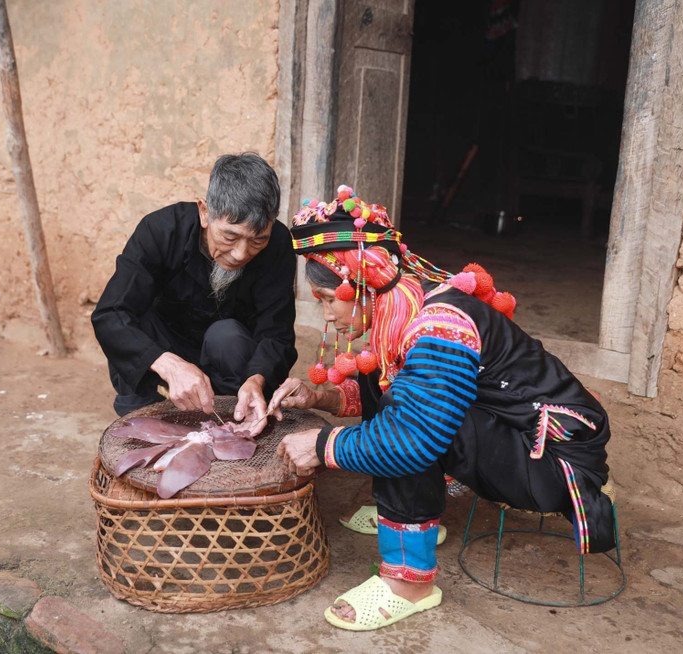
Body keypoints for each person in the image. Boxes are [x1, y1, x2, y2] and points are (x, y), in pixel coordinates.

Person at [269, 186, 615, 631]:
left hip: (553, 462)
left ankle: (408, 584)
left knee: (408, 431)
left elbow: (411, 438)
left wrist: (321, 445)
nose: (328, 316)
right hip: (514, 435)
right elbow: (392, 390)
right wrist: (321, 398)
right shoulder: (406, 304)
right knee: (389, 383)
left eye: (328, 299)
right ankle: (414, 516)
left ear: (361, 283)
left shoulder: (438, 326)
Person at [92, 153, 298, 425]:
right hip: (166, 349)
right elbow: (110, 314)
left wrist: (256, 379)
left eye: (257, 241)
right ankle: (143, 409)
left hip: (231, 363)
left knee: (226, 335)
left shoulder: (278, 244)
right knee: (134, 319)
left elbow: (277, 334)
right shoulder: (161, 231)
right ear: (204, 212)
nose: (241, 253)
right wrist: (169, 365)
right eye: (230, 236)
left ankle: (234, 411)